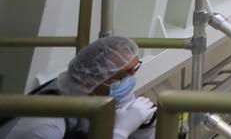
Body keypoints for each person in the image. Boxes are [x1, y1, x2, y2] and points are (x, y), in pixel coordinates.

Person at [0, 36, 155, 139]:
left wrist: (145, 125)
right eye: (123, 76)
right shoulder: (44, 128)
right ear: (91, 81)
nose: (131, 80)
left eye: (134, 71)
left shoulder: (91, 91)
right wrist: (119, 132)